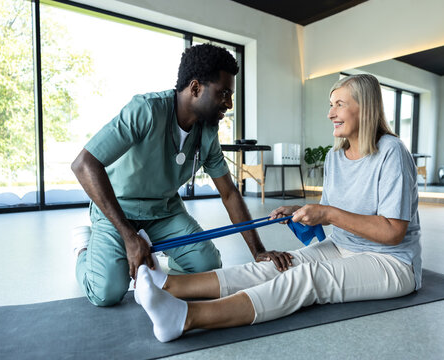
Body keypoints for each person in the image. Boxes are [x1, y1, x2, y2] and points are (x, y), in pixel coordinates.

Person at [132, 74, 422, 342]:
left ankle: (184, 318)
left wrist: (327, 213)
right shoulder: (336, 156)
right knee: (277, 265)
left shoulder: (392, 152)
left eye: (340, 105)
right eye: (330, 105)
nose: (330, 113)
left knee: (306, 279)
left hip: (391, 262)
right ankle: (168, 284)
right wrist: (304, 210)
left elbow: (393, 232)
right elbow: (334, 209)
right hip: (343, 245)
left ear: (366, 108)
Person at [71, 44, 292, 307]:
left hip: (164, 212)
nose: (230, 103)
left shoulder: (207, 133)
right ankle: (84, 248)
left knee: (207, 264)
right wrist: (129, 237)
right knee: (107, 292)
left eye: (230, 95)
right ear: (196, 88)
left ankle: (158, 249)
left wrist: (259, 251)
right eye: (223, 93)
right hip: (118, 209)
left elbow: (229, 193)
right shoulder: (146, 110)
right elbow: (84, 164)